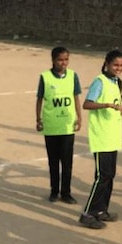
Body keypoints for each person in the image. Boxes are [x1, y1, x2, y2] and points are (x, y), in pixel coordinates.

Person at [79, 50, 122, 229]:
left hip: (112, 135)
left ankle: (101, 210)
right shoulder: (100, 81)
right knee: (101, 176)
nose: (119, 68)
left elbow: (115, 101)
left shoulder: (114, 81)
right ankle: (88, 213)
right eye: (116, 65)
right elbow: (87, 103)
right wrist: (107, 105)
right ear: (107, 63)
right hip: (101, 135)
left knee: (109, 175)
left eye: (121, 65)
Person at [35, 47, 82, 204]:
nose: (63, 63)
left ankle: (66, 193)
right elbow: (40, 99)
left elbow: (76, 97)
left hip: (67, 125)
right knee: (53, 161)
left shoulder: (73, 76)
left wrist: (79, 117)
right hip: (51, 125)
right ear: (53, 60)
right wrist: (38, 119)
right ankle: (54, 191)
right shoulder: (45, 77)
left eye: (66, 59)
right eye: (60, 60)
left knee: (67, 162)